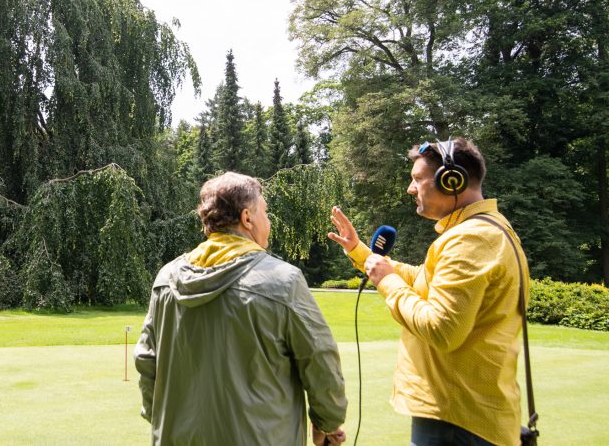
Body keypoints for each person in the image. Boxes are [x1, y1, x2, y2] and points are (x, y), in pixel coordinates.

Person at [328, 138, 529, 446]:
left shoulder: (470, 240)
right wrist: (361, 252)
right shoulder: (484, 231)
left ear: (451, 181)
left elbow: (442, 330)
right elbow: (421, 278)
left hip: (456, 420)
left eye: (418, 179)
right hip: (462, 416)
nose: (411, 189)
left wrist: (386, 282)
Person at [135, 172, 347, 446]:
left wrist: (163, 420)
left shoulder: (166, 279)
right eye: (266, 213)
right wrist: (327, 422)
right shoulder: (284, 281)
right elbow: (319, 360)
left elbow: (145, 360)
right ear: (247, 218)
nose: (268, 222)